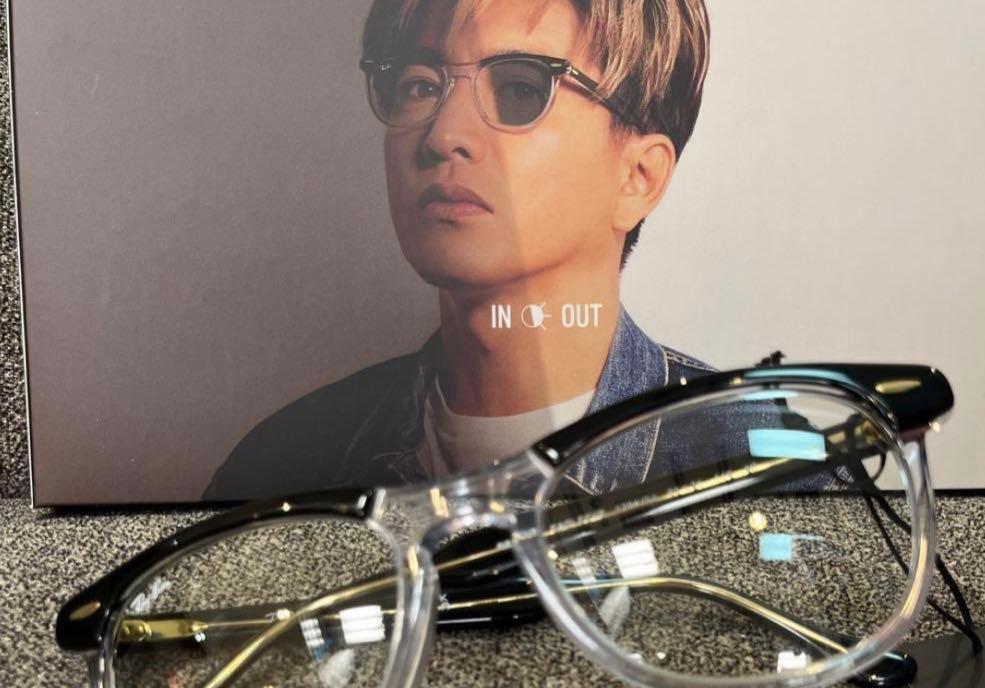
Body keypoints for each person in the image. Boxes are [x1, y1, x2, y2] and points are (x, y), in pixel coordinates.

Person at [205, 0, 719, 501]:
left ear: (638, 177)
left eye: (521, 89)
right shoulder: (278, 468)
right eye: (421, 86)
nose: (444, 135)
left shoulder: (745, 466)